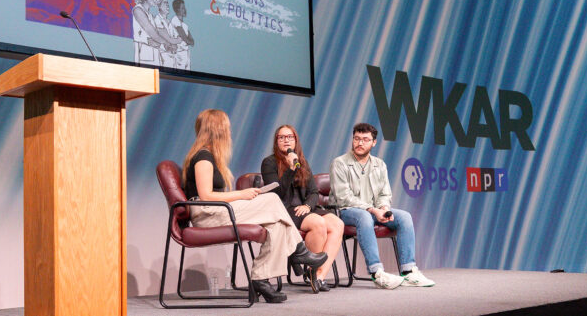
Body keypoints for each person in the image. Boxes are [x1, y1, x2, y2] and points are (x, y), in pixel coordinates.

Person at [183, 109, 327, 303]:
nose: (230, 133)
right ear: (217, 130)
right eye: (227, 128)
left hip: (217, 210)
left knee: (277, 227)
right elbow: (205, 195)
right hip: (207, 214)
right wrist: (241, 194)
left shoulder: (211, 156)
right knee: (271, 199)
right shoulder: (203, 157)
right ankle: (299, 251)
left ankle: (260, 279)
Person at [329, 122, 435, 289]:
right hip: (346, 212)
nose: (360, 143)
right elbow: (344, 197)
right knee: (364, 216)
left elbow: (384, 194)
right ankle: (376, 272)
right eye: (357, 139)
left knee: (404, 217)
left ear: (374, 142)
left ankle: (408, 272)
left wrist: (384, 209)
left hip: (374, 211)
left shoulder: (379, 164)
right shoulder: (340, 163)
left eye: (365, 139)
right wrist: (373, 210)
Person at [261, 125, 344, 292]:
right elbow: (277, 192)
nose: (286, 140)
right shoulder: (269, 163)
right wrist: (291, 169)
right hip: (283, 210)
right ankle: (312, 270)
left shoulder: (302, 161)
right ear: (276, 141)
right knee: (318, 223)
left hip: (305, 209)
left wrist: (307, 205)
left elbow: (314, 191)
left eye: (290, 137)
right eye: (281, 137)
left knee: (337, 224)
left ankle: (319, 275)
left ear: (295, 140)